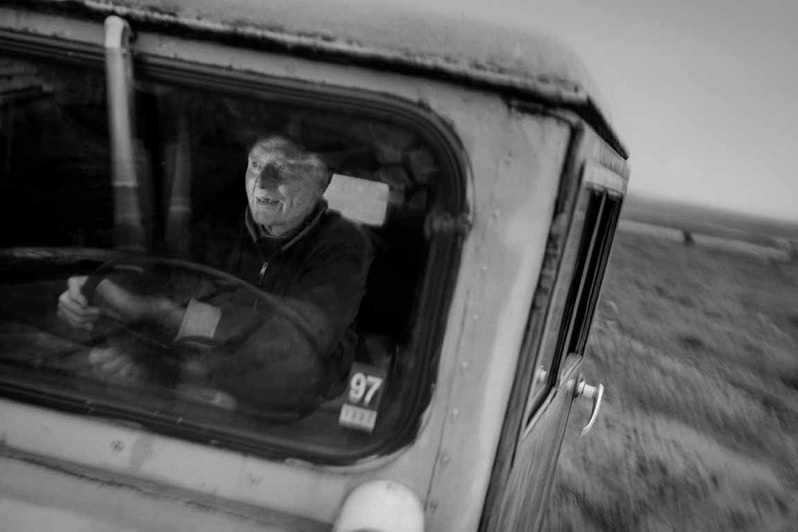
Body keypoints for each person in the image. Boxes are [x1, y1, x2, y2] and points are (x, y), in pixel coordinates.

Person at [56, 135, 373, 416]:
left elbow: (293, 344)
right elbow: (163, 282)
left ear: (321, 183)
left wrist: (163, 318)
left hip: (289, 415)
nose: (263, 182)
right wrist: (94, 294)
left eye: (286, 170)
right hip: (189, 389)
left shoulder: (343, 247)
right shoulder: (219, 225)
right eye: (256, 164)